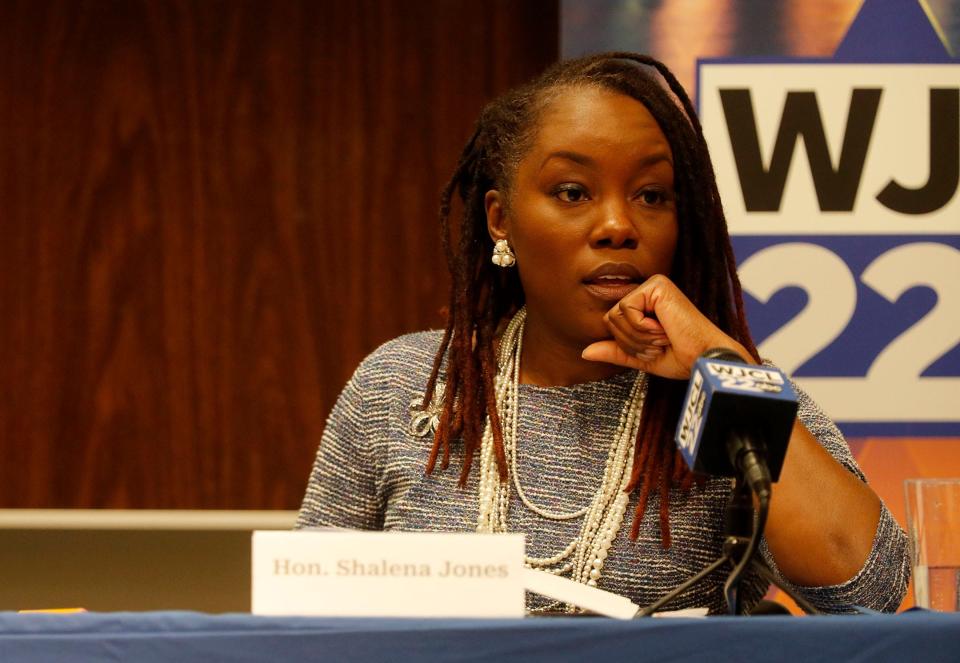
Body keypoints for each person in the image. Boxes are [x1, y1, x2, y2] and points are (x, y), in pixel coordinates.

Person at [296, 52, 909, 614]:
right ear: (500, 219)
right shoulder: (400, 385)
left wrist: (716, 359)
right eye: (572, 192)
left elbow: (871, 592)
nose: (618, 225)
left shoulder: (730, 391)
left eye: (650, 195)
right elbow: (305, 616)